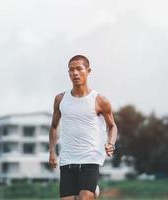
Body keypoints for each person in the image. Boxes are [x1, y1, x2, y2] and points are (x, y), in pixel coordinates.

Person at [49, 55, 117, 200]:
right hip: (67, 159)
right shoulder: (60, 99)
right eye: (71, 70)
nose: (75, 73)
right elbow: (54, 127)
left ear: (88, 70)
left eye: (79, 69)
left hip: (90, 158)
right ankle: (94, 191)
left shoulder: (100, 101)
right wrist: (52, 152)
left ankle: (91, 191)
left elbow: (112, 126)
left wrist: (111, 143)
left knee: (84, 198)